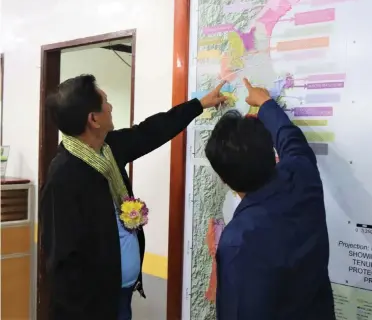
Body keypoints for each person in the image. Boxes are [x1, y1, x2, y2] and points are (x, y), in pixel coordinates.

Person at [39, 74, 226, 320]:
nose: (111, 106)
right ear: (93, 119)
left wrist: (198, 105)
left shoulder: (107, 150)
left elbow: (150, 132)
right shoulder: (63, 178)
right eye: (105, 102)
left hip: (121, 294)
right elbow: (62, 262)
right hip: (92, 308)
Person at [205, 78, 335, 320]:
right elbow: (292, 141)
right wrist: (265, 103)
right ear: (270, 152)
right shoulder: (302, 176)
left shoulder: (238, 240)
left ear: (225, 179)